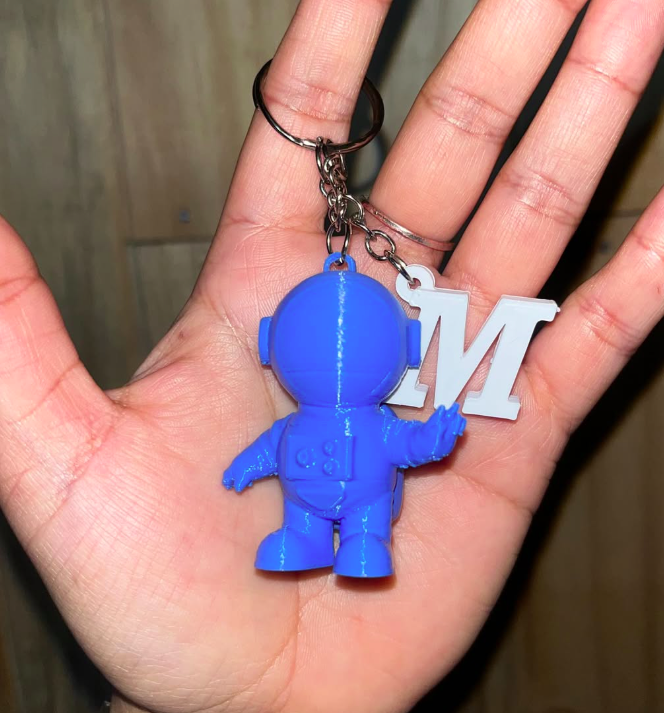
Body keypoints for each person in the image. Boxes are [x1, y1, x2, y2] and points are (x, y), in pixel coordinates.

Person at [0, 0, 662, 711]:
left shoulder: (372, 417)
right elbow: (273, 447)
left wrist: (435, 436)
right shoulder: (313, 416)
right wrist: (244, 466)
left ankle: (364, 545)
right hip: (305, 506)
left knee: (368, 526)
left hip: (371, 500)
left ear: (406, 350)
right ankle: (309, 540)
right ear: (271, 345)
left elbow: (403, 444)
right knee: (303, 526)